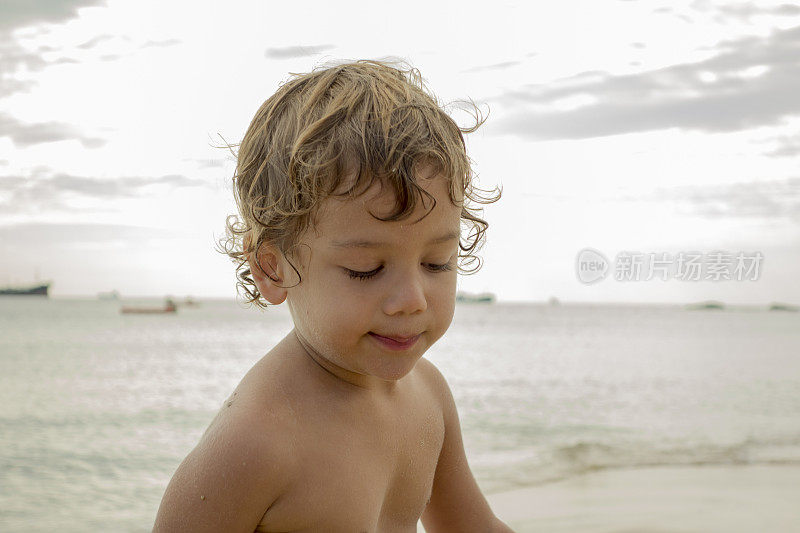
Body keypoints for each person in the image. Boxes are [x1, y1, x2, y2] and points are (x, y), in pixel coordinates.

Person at [152, 58, 509, 532]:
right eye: (366, 270)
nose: (412, 299)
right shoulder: (253, 446)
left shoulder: (429, 397)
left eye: (437, 263)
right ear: (271, 267)